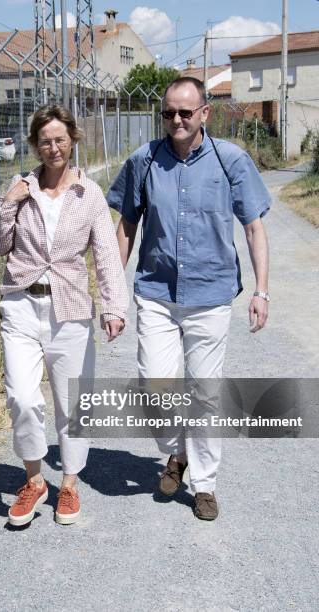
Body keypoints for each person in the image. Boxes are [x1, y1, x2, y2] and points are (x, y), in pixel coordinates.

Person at [107, 76, 271, 520]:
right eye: (168, 113)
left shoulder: (231, 160)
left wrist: (261, 290)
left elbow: (254, 227)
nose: (176, 120)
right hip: (157, 292)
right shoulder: (143, 161)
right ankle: (177, 450)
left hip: (211, 295)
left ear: (204, 113)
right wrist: (111, 293)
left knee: (204, 393)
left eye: (185, 112)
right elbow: (125, 227)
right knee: (155, 387)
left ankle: (205, 484)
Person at [0, 105, 128, 527]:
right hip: (21, 305)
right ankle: (34, 479)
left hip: (69, 309)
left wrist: (113, 306)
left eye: (60, 139)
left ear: (72, 141)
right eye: (45, 141)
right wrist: (8, 201)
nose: (53, 147)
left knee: (72, 402)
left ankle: (68, 482)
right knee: (23, 398)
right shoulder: (20, 188)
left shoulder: (90, 194)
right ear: (34, 145)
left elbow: (104, 253)